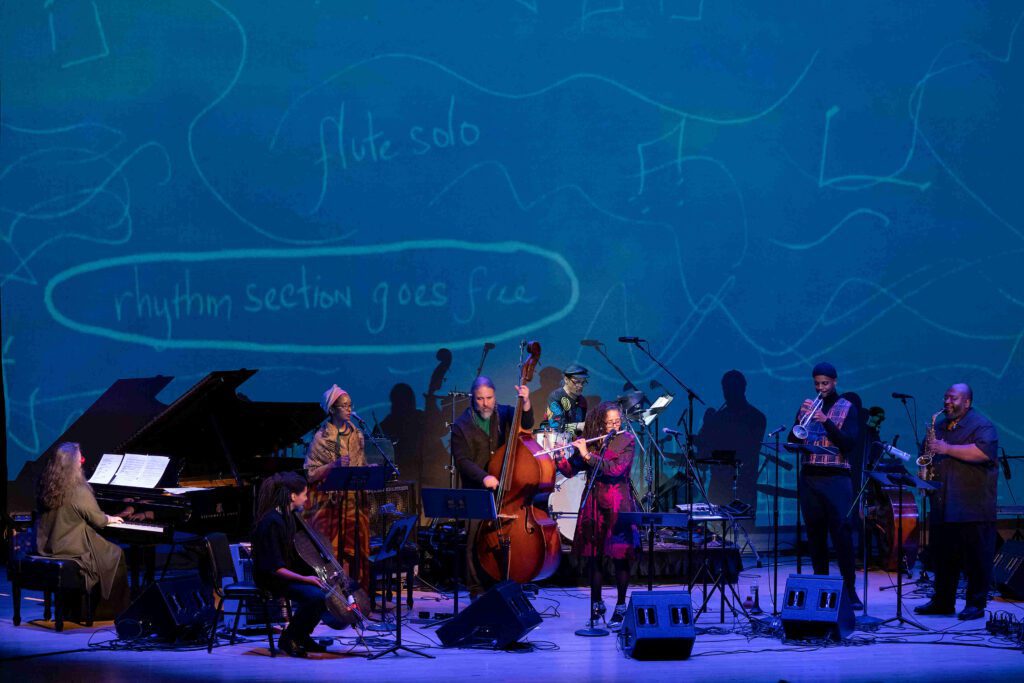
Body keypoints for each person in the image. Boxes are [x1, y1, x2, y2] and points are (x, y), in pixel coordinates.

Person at [914, 383, 999, 621]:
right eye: (945, 398)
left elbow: (983, 453)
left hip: (972, 505)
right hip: (943, 504)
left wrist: (946, 448)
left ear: (967, 402)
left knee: (975, 559)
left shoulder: (981, 425)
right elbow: (928, 452)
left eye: (953, 398)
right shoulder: (940, 425)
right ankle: (943, 601)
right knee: (943, 558)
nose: (947, 402)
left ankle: (975, 604)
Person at [556, 401, 640, 628]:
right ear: (600, 424)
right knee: (594, 558)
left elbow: (615, 470)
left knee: (620, 557)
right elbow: (570, 470)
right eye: (609, 421)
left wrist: (587, 456)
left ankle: (621, 606)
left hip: (616, 504)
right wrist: (561, 453)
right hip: (594, 504)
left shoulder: (627, 441)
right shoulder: (594, 442)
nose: (615, 424)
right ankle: (596, 604)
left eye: (617, 420)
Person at [450, 376, 533, 599]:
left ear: (495, 396)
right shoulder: (461, 425)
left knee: (507, 539)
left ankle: (507, 584)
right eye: (480, 399)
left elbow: (525, 426)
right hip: (476, 490)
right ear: (472, 399)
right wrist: (484, 476)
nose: (485, 403)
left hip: (505, 490)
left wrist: (525, 403)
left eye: (489, 398)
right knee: (474, 542)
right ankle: (476, 589)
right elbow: (462, 460)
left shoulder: (505, 413)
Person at [789, 362, 862, 609]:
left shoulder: (848, 408)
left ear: (835, 382)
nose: (821, 388)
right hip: (810, 477)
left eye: (825, 384)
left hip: (837, 478)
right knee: (815, 534)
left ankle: (849, 590)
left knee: (842, 536)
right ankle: (820, 586)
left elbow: (849, 443)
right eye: (817, 384)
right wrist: (802, 417)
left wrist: (826, 420)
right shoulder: (808, 406)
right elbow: (794, 438)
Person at [35, 442, 130, 619]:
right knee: (116, 553)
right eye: (80, 460)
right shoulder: (78, 489)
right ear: (72, 463)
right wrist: (110, 517)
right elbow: (98, 520)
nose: (82, 463)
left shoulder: (46, 484)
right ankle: (106, 612)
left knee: (107, 551)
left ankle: (76, 609)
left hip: (47, 546)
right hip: (72, 548)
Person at [251, 472, 331, 657]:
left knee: (322, 593)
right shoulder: (272, 522)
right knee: (316, 596)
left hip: (281, 575)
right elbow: (275, 568)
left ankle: (301, 635)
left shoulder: (287, 517)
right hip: (270, 578)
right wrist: (306, 579)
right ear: (293, 496)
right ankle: (290, 638)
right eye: (304, 494)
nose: (306, 498)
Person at [304, 385, 371, 590]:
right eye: (344, 406)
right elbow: (310, 472)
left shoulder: (357, 435)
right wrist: (332, 466)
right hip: (329, 505)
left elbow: (361, 464)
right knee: (334, 551)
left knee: (356, 548)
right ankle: (334, 595)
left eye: (350, 405)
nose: (349, 409)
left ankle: (358, 594)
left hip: (354, 502)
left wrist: (369, 470)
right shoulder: (321, 438)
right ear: (332, 409)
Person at [545, 363, 589, 432]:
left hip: (575, 441)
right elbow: (556, 426)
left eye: (583, 383)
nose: (580, 386)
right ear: (566, 379)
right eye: (577, 382)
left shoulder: (582, 401)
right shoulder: (556, 397)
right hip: (555, 439)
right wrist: (578, 426)